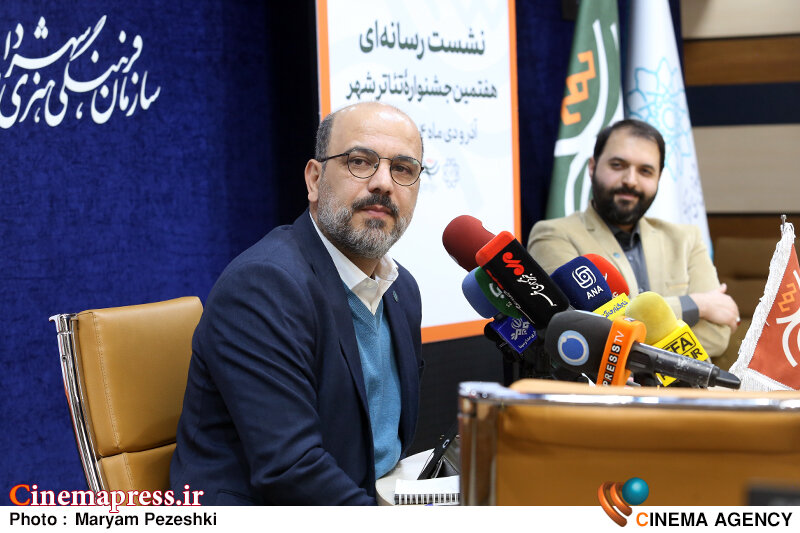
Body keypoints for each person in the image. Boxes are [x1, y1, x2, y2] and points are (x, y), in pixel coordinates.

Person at [170, 102, 425, 505]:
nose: (383, 183)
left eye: (403, 169)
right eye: (360, 162)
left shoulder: (401, 290)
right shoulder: (263, 287)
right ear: (314, 179)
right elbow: (291, 471)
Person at [528, 119, 739, 359]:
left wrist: (625, 343)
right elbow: (581, 333)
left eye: (645, 171)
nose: (630, 180)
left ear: (659, 177)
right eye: (618, 165)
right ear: (592, 167)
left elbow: (716, 336)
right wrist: (695, 305)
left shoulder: (686, 239)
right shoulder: (552, 235)